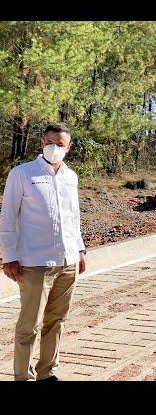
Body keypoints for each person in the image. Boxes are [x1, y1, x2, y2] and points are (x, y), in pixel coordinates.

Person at [0, 124, 87, 381]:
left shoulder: (71, 177)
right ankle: (22, 376)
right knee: (29, 325)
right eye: (50, 142)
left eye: (61, 144)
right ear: (41, 143)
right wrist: (9, 256)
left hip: (68, 261)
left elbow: (74, 217)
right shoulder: (22, 174)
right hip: (35, 262)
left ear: (68, 147)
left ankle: (47, 373)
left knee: (56, 320)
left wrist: (80, 249)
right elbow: (7, 217)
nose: (55, 148)